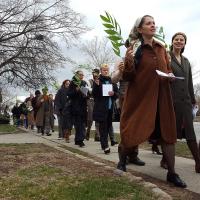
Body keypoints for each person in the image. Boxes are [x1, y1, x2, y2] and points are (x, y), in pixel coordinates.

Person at [118, 15, 186, 188]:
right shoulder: (134, 48)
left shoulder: (161, 47)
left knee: (168, 133)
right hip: (141, 98)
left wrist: (170, 75)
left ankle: (172, 173)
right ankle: (122, 162)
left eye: (154, 23)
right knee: (132, 129)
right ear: (140, 29)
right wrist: (129, 62)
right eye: (148, 23)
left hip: (162, 99)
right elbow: (127, 76)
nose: (153, 25)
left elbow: (167, 69)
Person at [111, 39, 145, 166]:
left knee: (137, 126)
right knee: (126, 126)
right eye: (131, 45)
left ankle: (133, 155)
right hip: (125, 96)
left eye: (136, 45)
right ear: (126, 46)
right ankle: (123, 156)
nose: (134, 47)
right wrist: (120, 71)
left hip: (139, 96)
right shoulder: (120, 60)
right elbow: (113, 79)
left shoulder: (141, 60)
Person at [169, 32, 200, 173]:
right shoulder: (166, 57)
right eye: (177, 39)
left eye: (182, 40)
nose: (179, 41)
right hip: (171, 101)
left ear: (184, 44)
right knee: (172, 132)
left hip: (186, 102)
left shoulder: (186, 61)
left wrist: (193, 101)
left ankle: (198, 162)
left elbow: (189, 83)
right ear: (172, 42)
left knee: (190, 131)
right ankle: (166, 159)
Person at [92, 64, 119, 154]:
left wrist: (113, 94)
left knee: (108, 128)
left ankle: (105, 143)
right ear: (101, 71)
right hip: (101, 109)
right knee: (103, 128)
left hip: (110, 109)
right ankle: (105, 146)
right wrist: (96, 86)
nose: (106, 71)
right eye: (104, 70)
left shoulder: (112, 81)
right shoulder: (98, 80)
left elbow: (117, 94)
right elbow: (94, 95)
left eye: (107, 70)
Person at [68, 71, 88, 147]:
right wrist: (75, 90)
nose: (82, 76)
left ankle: (77, 139)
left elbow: (87, 94)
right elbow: (69, 94)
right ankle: (80, 140)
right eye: (80, 75)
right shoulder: (72, 83)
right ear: (76, 75)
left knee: (81, 124)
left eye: (83, 75)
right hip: (75, 107)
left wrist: (86, 94)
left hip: (83, 106)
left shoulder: (84, 82)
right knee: (79, 124)